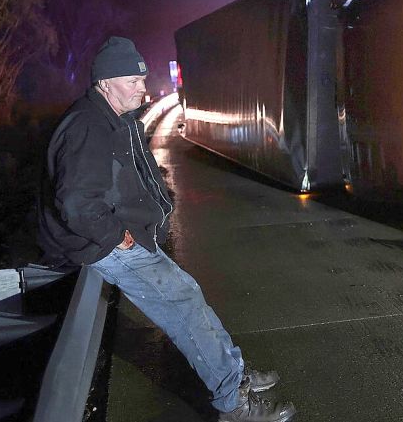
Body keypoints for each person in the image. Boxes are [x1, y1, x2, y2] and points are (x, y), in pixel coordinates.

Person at [38, 37, 296, 422]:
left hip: (126, 232)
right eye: (132, 80)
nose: (142, 88)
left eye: (142, 78)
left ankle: (235, 373)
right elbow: (76, 203)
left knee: (188, 296)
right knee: (182, 306)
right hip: (105, 242)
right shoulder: (89, 127)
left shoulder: (116, 117)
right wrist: (116, 237)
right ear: (104, 83)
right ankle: (234, 404)